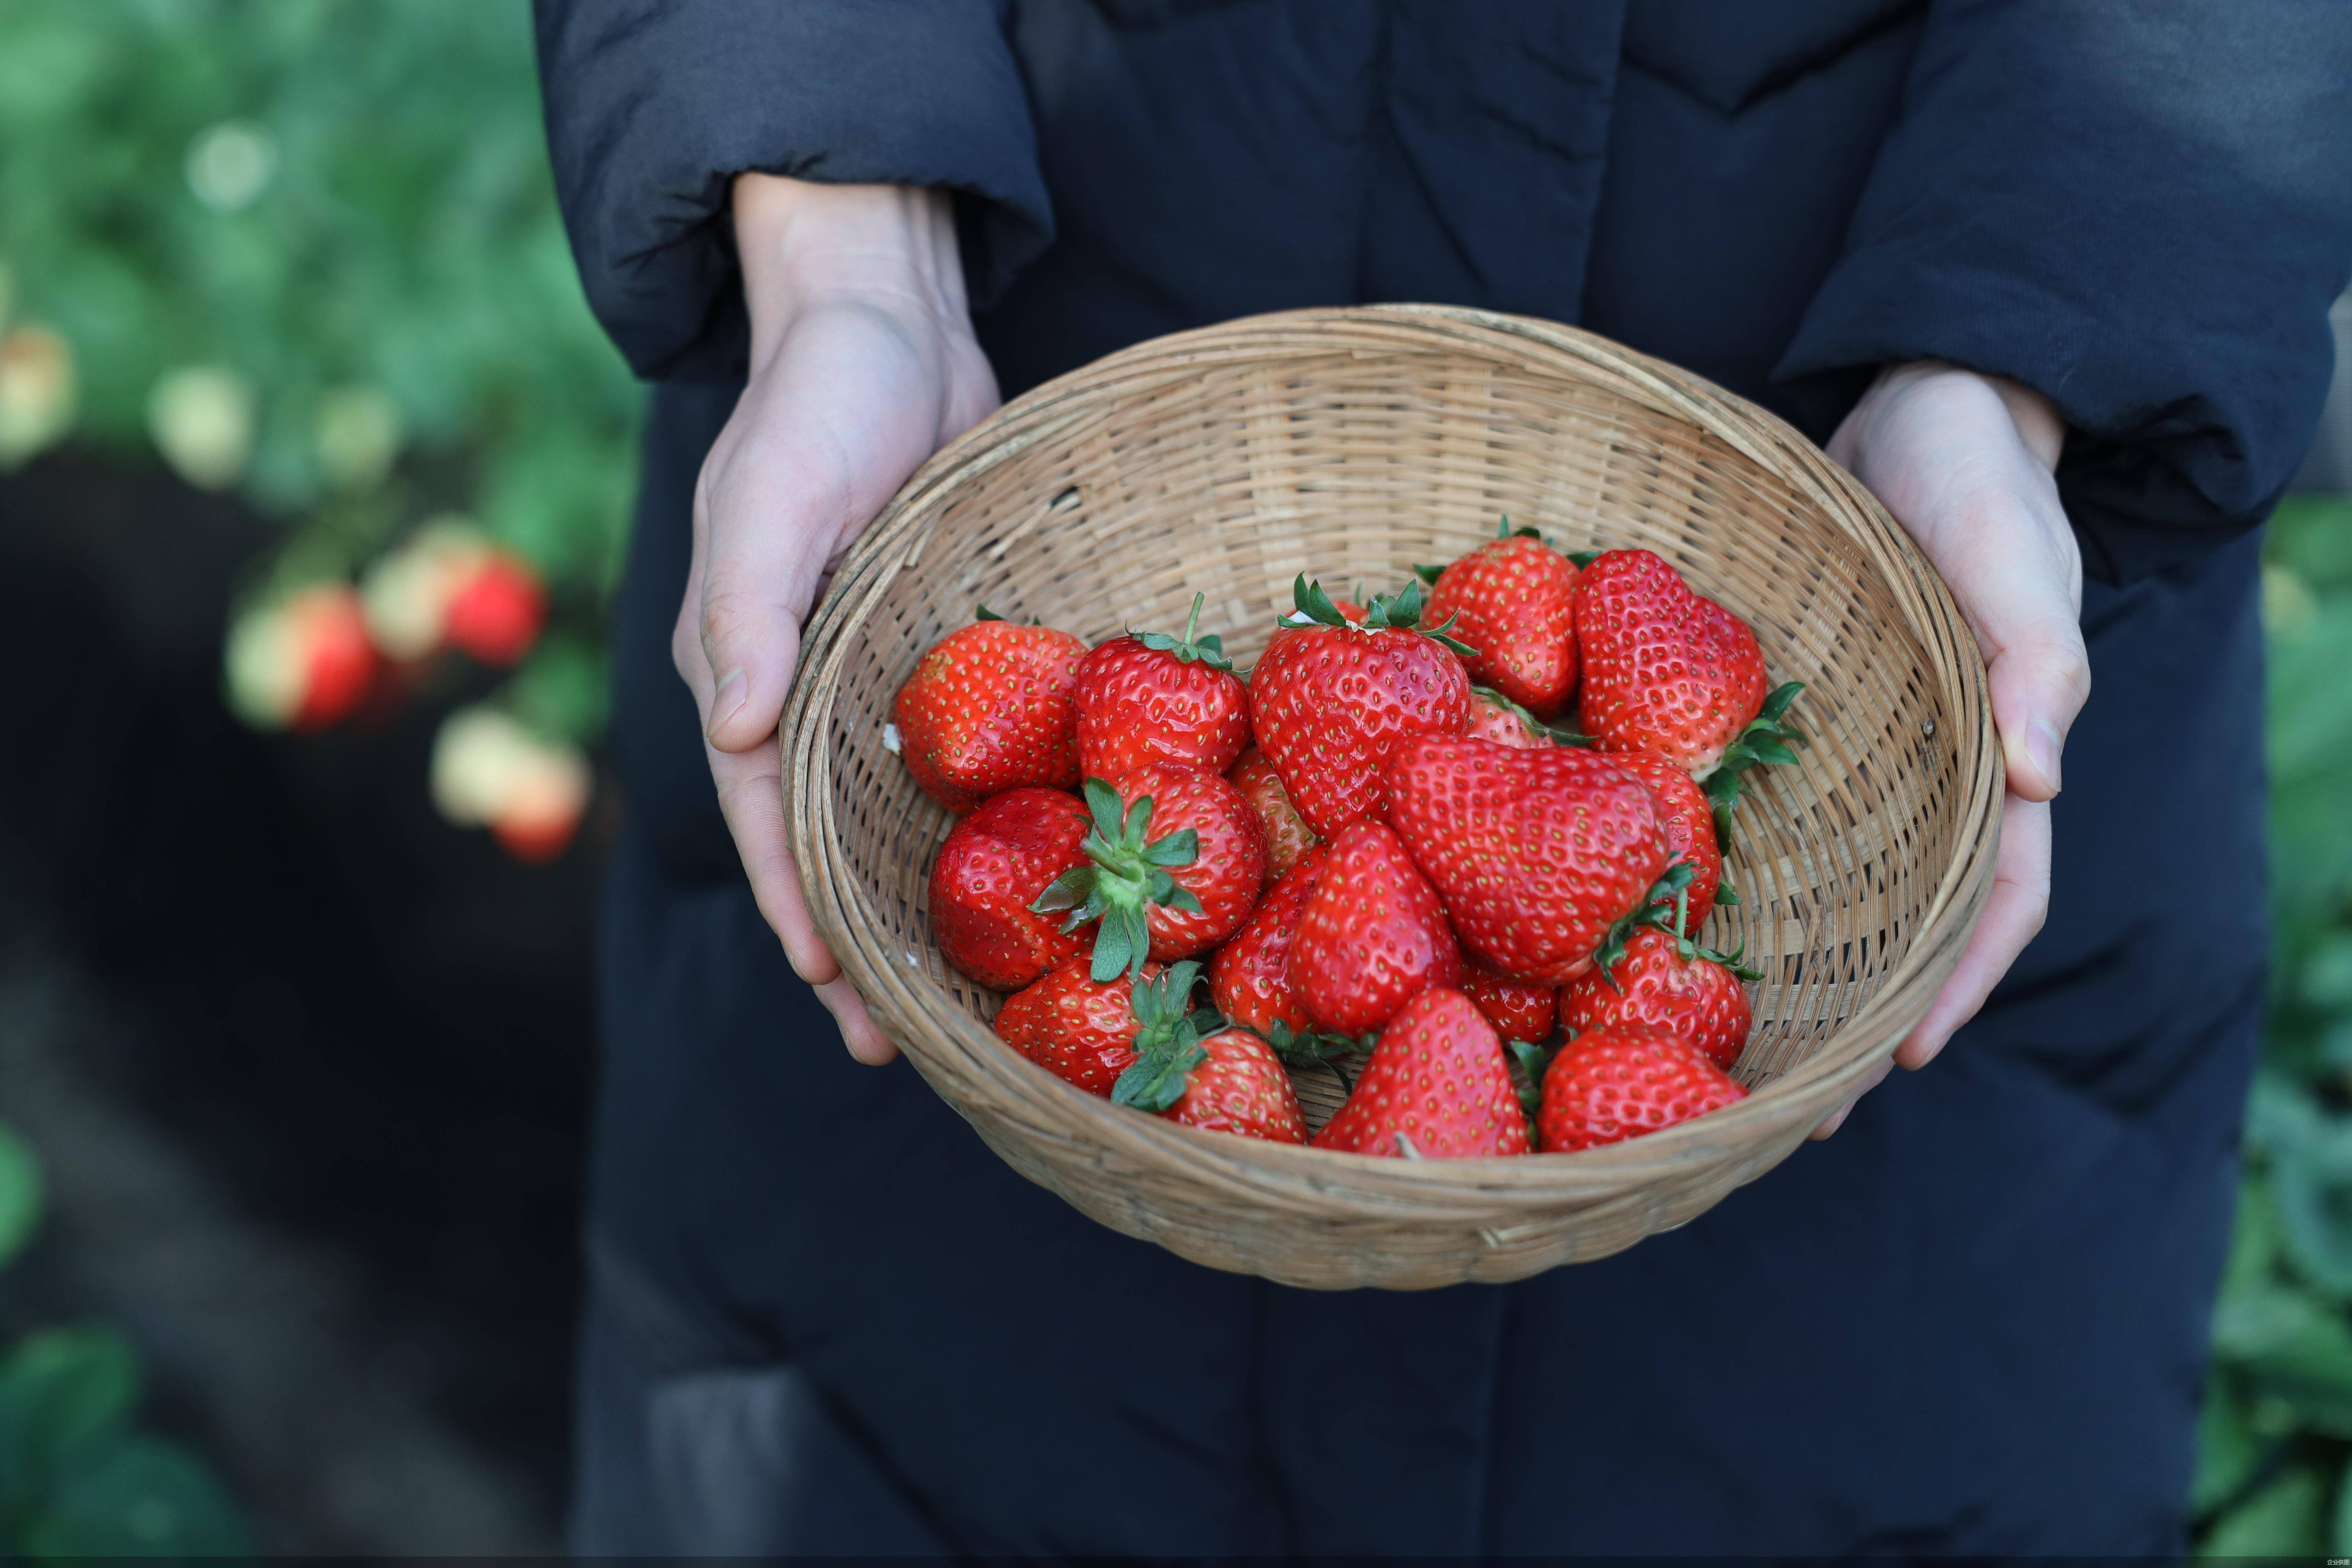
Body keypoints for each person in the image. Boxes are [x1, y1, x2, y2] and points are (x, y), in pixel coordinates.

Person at [536, 2, 2352, 1554]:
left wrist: (2034, 346)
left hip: (1904, 487)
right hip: (1014, 380)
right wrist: (842, 237)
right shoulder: (1212, 775)